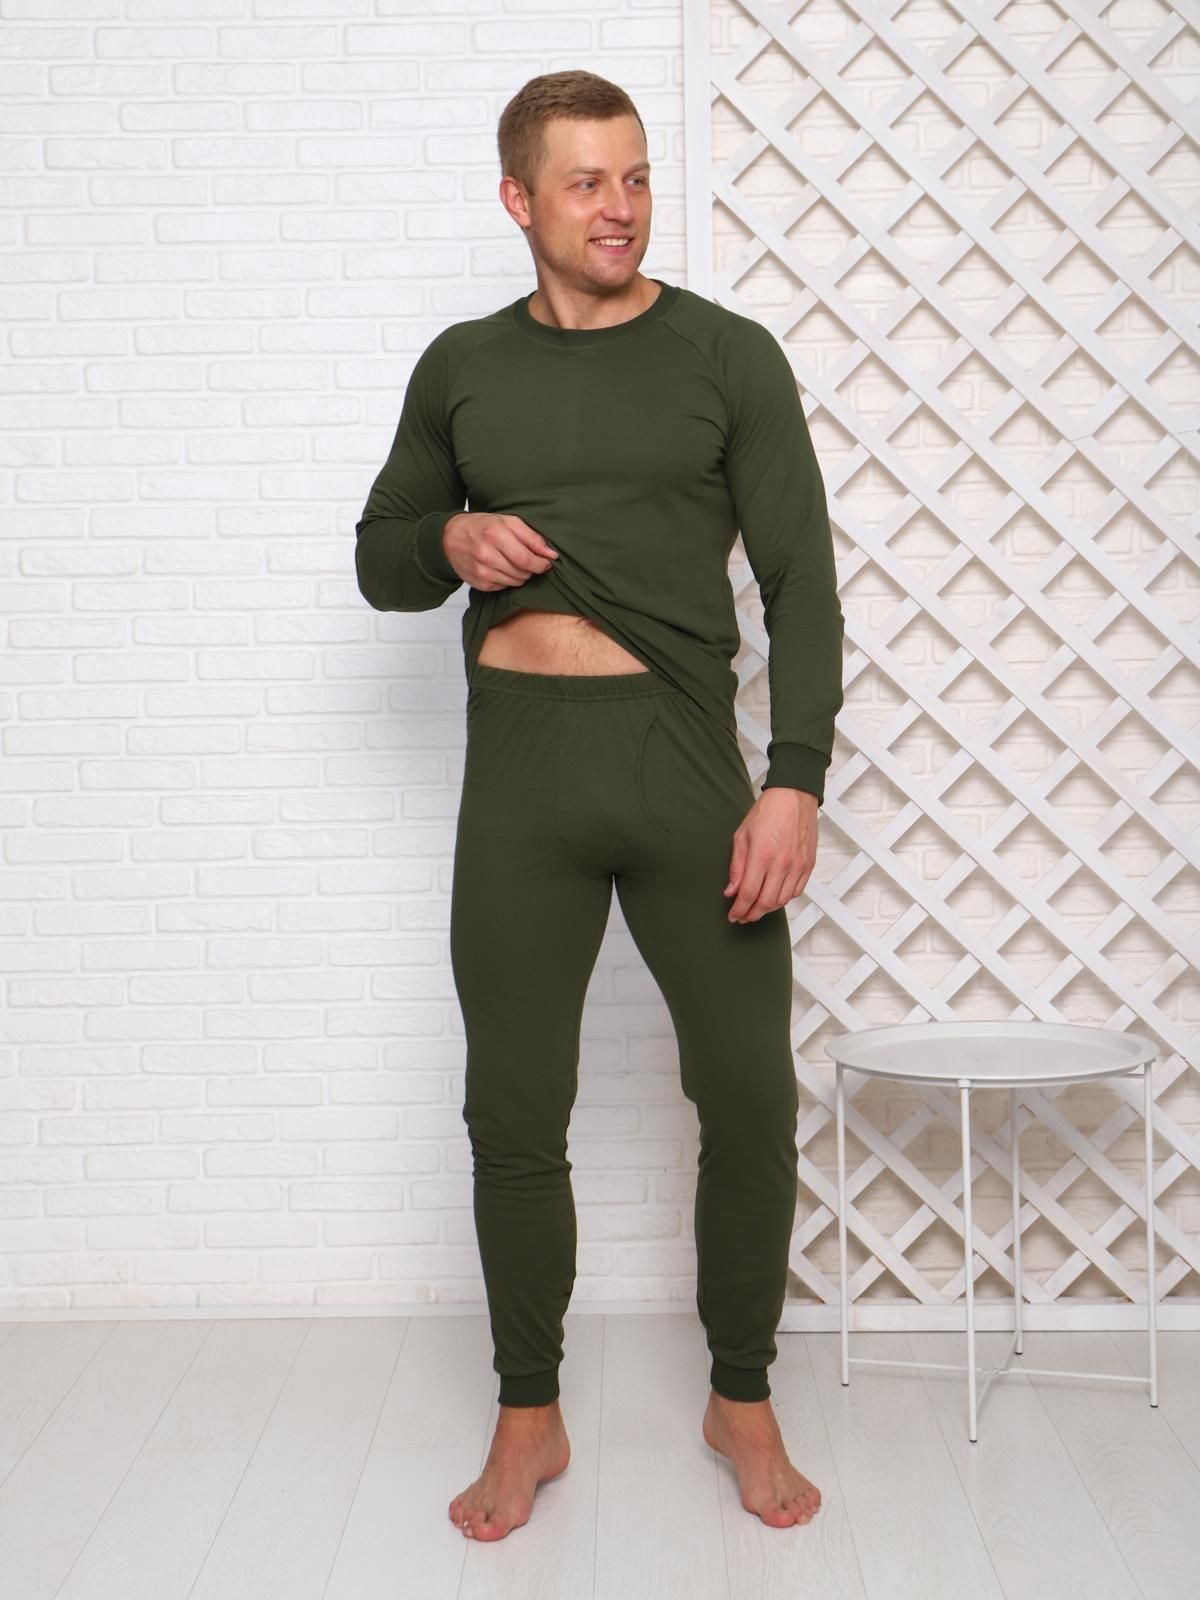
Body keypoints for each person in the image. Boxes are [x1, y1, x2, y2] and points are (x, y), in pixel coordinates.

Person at [354, 70, 844, 1543]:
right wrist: (449, 538)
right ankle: (531, 1413)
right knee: (514, 1107)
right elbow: (382, 556)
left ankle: (741, 1395)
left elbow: (802, 581)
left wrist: (794, 780)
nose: (619, 208)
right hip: (523, 771)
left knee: (748, 1096)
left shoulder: (727, 354)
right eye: (586, 182)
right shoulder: (461, 366)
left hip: (685, 762)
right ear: (520, 199)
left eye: (635, 177)